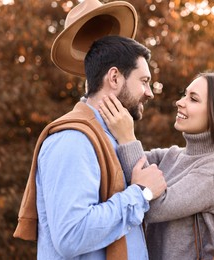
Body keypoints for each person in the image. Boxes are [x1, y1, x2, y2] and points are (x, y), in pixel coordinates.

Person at [13, 1, 167, 259]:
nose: (150, 93)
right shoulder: (73, 140)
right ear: (115, 78)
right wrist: (141, 193)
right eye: (144, 81)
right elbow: (72, 235)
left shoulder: (110, 138)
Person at [99, 71, 214, 259]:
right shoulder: (171, 156)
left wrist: (127, 137)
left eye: (193, 99)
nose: (180, 102)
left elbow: (154, 207)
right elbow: (117, 165)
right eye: (185, 95)